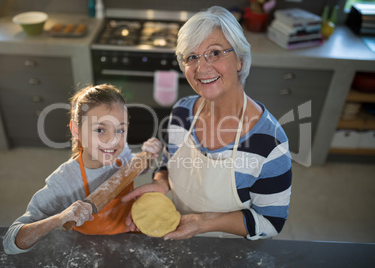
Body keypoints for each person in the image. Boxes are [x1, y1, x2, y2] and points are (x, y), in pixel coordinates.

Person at [122, 6, 292, 240]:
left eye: (215, 53)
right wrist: (161, 183)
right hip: (180, 234)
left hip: (233, 251)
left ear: (240, 60)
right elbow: (167, 163)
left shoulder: (269, 142)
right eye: (192, 57)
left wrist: (205, 223)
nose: (202, 67)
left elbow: (271, 222)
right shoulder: (182, 112)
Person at [3, 84, 161, 255]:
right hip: (92, 249)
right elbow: (10, 242)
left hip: (133, 236)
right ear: (76, 130)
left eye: (120, 130)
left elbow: (135, 169)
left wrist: (147, 156)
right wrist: (59, 218)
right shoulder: (64, 181)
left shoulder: (122, 152)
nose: (113, 141)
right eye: (100, 129)